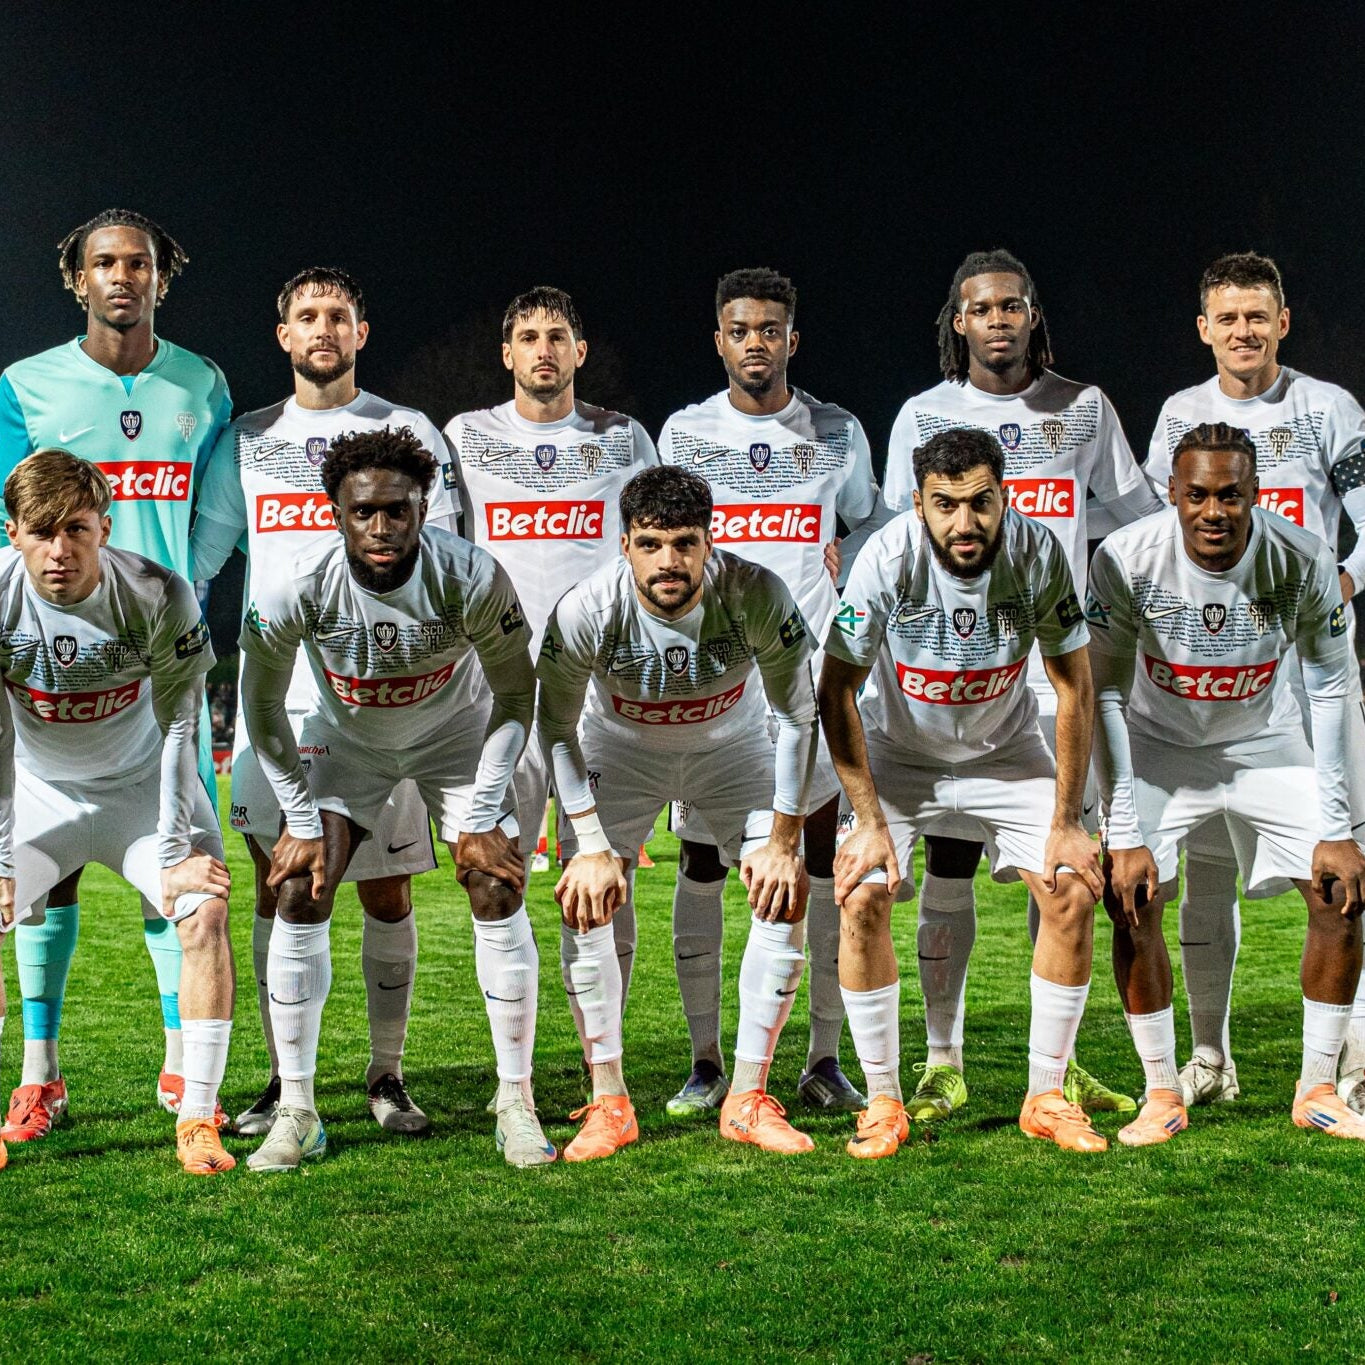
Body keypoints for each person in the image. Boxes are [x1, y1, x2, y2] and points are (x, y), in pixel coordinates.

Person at [881, 249, 1162, 1124]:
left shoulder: (1083, 407)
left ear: (1032, 315)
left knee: (1064, 862)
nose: (998, 319)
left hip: (1057, 665)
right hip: (961, 673)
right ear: (956, 322)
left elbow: (1135, 518)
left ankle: (1061, 1065)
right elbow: (900, 534)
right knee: (949, 857)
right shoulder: (924, 413)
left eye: (1012, 304)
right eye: (981, 307)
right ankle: (940, 1059)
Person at [190, 267, 459, 1137]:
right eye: (306, 315)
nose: (322, 329)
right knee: (282, 889)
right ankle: (281, 1078)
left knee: (385, 892)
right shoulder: (248, 438)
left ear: (361, 331)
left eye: (337, 315)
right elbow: (202, 562)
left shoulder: (404, 429)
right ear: (282, 335)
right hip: (285, 699)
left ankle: (388, 1074)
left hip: (387, 700)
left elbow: (446, 551)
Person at [238, 426, 549, 1171]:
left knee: (495, 881)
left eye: (397, 512)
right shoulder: (296, 585)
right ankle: (299, 1110)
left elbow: (515, 694)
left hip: (457, 737)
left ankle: (516, 1101)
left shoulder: (472, 575)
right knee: (299, 888)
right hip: (349, 744)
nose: (381, 529)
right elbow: (262, 707)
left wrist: (478, 816)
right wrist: (302, 817)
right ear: (335, 512)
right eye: (362, 512)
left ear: (424, 505)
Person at [0, 209, 231, 1140]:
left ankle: (185, 1069)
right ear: (77, 278)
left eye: (138, 263)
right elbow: (12, 506)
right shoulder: (27, 384)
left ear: (160, 277)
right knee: (39, 887)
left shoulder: (200, 383)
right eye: (104, 263)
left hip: (154, 650)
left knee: (175, 878)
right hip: (52, 658)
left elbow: (217, 506)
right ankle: (40, 1074)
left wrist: (181, 585)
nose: (122, 277)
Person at [820, 427, 1108, 1157]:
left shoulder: (1037, 552)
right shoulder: (885, 557)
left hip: (1004, 751)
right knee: (860, 891)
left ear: (1002, 495)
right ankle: (883, 1099)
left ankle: (1044, 1094)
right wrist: (865, 819)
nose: (964, 522)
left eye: (980, 502)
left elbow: (1074, 683)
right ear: (917, 503)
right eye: (944, 504)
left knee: (1072, 884)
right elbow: (835, 692)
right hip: (900, 755)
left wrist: (1068, 819)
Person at [1089, 422, 1365, 1143]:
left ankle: (1316, 1086)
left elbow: (1331, 684)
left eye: (1230, 495)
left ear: (1255, 494)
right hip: (1159, 745)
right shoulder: (1123, 556)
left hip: (1263, 741)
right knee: (1131, 896)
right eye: (1198, 495)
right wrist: (1120, 830)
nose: (1213, 511)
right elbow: (1105, 693)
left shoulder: (1302, 556)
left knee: (1339, 892)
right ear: (1172, 495)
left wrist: (1336, 826)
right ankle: (1160, 1091)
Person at [656, 267, 890, 1117]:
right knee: (703, 861)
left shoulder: (837, 430)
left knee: (823, 863)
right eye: (739, 329)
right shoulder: (684, 430)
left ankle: (822, 1060)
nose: (755, 342)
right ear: (718, 340)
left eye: (769, 329)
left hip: (813, 677)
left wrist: (846, 561)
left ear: (792, 339)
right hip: (717, 680)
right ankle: (705, 1058)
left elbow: (869, 519)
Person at [538, 465, 818, 1159]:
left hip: (731, 747)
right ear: (624, 543)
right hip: (620, 750)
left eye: (685, 543)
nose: (670, 561)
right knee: (584, 895)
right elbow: (554, 725)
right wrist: (590, 840)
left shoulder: (756, 592)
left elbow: (797, 714)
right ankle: (609, 1100)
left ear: (709, 540)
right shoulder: (585, 608)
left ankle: (748, 1096)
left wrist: (783, 838)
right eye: (651, 543)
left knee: (783, 891)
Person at [1145, 253, 1365, 1110]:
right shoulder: (1178, 414)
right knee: (1202, 866)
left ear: (1282, 322)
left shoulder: (1327, 407)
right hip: (1211, 661)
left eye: (1256, 316)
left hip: (1309, 652)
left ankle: (1349, 1059)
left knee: (1343, 856)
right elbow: (1149, 521)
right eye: (1226, 318)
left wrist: (1347, 576)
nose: (1242, 331)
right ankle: (1208, 1058)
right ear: (1203, 329)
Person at [443, 286, 658, 1038]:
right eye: (527, 336)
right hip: (494, 695)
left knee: (604, 877)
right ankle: (518, 1067)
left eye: (557, 335)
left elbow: (654, 547)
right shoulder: (465, 435)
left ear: (579, 352)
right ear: (506, 354)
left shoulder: (625, 438)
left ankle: (605, 1063)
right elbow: (441, 552)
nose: (543, 348)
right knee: (490, 873)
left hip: (598, 696)